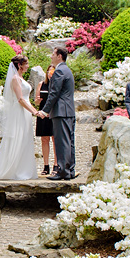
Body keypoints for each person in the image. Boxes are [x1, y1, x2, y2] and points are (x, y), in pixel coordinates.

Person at [0, 56, 41, 181]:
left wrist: (33, 110)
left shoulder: (21, 78)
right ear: (20, 65)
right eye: (26, 64)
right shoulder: (15, 79)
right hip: (20, 112)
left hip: (25, 112)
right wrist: (34, 111)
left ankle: (23, 169)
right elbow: (21, 99)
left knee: (25, 139)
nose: (28, 66)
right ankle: (12, 169)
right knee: (18, 138)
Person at [37, 46, 76, 180]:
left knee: (61, 142)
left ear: (59, 56)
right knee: (69, 141)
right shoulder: (67, 70)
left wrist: (44, 110)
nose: (51, 56)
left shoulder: (59, 71)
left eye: (53, 54)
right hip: (68, 111)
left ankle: (62, 171)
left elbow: (54, 94)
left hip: (61, 111)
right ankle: (69, 170)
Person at [34, 65, 57, 175]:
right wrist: (38, 101)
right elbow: (36, 101)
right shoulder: (41, 84)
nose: (50, 73)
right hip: (43, 114)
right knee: (44, 139)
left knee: (55, 139)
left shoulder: (57, 85)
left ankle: (56, 165)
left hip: (53, 115)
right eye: (49, 70)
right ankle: (46, 165)